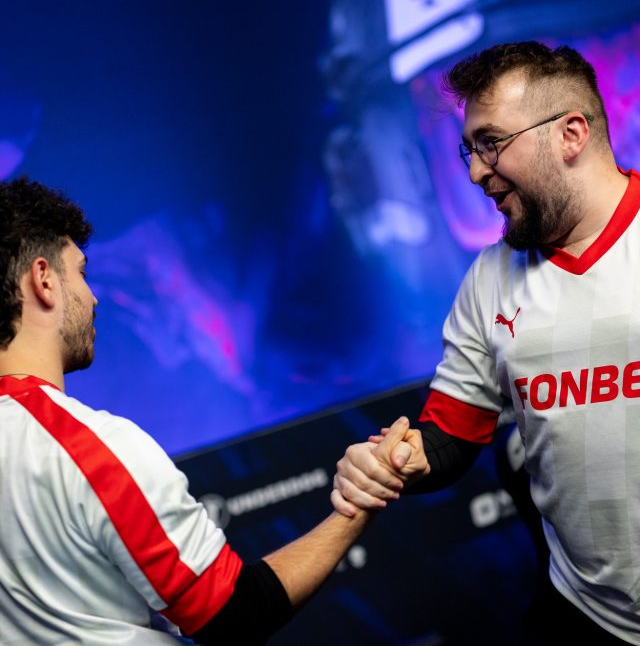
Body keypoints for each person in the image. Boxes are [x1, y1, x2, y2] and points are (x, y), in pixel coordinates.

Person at [0, 177, 423, 644]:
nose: (93, 296)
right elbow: (235, 614)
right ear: (44, 279)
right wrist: (361, 502)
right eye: (81, 273)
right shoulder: (90, 451)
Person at [331, 41, 640, 644]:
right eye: (469, 149)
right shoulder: (489, 279)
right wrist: (400, 458)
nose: (475, 172)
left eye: (491, 143)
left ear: (571, 134)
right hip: (587, 615)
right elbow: (452, 433)